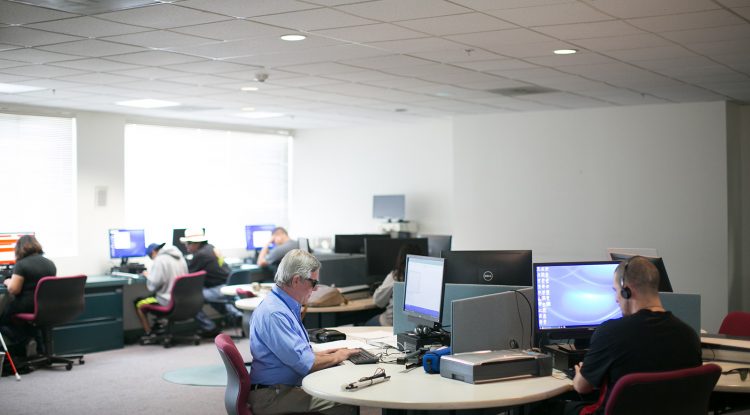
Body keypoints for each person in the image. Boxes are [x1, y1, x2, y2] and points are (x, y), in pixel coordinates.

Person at [556, 256, 702, 415]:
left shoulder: (611, 333)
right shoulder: (689, 335)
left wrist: (580, 374)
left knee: (543, 408)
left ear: (626, 291)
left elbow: (582, 387)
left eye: (616, 291)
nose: (616, 299)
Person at [248, 249, 358, 415]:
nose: (314, 289)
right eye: (313, 283)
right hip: (271, 397)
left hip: (278, 389)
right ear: (296, 280)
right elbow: (306, 364)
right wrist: (339, 356)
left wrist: (328, 354)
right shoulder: (275, 314)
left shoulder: (282, 305)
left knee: (340, 387)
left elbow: (299, 353)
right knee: (344, 400)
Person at [181, 228, 242, 336]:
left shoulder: (200, 255)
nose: (186, 246)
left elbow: (188, 275)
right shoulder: (211, 248)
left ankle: (210, 328)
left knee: (190, 298)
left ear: (196, 243)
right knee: (210, 297)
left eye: (188, 243)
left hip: (218, 289)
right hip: (226, 287)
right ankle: (236, 315)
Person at [0, 235, 56, 344]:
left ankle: (24, 341)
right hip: (46, 306)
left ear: (19, 249)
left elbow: (14, 290)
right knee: (24, 322)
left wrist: (7, 281)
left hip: (27, 305)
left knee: (3, 318)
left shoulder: (21, 265)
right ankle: (34, 345)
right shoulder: (50, 263)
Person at [134, 242, 188, 338]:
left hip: (168, 301)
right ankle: (161, 324)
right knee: (153, 298)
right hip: (182, 299)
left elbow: (153, 285)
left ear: (154, 252)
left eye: (151, 256)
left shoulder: (159, 260)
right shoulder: (180, 256)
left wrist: (148, 276)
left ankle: (149, 334)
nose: (152, 259)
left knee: (139, 303)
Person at [366, 243, 426, 326]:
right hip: (415, 325)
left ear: (400, 259)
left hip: (391, 323)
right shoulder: (426, 278)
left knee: (365, 324)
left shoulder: (395, 277)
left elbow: (378, 302)